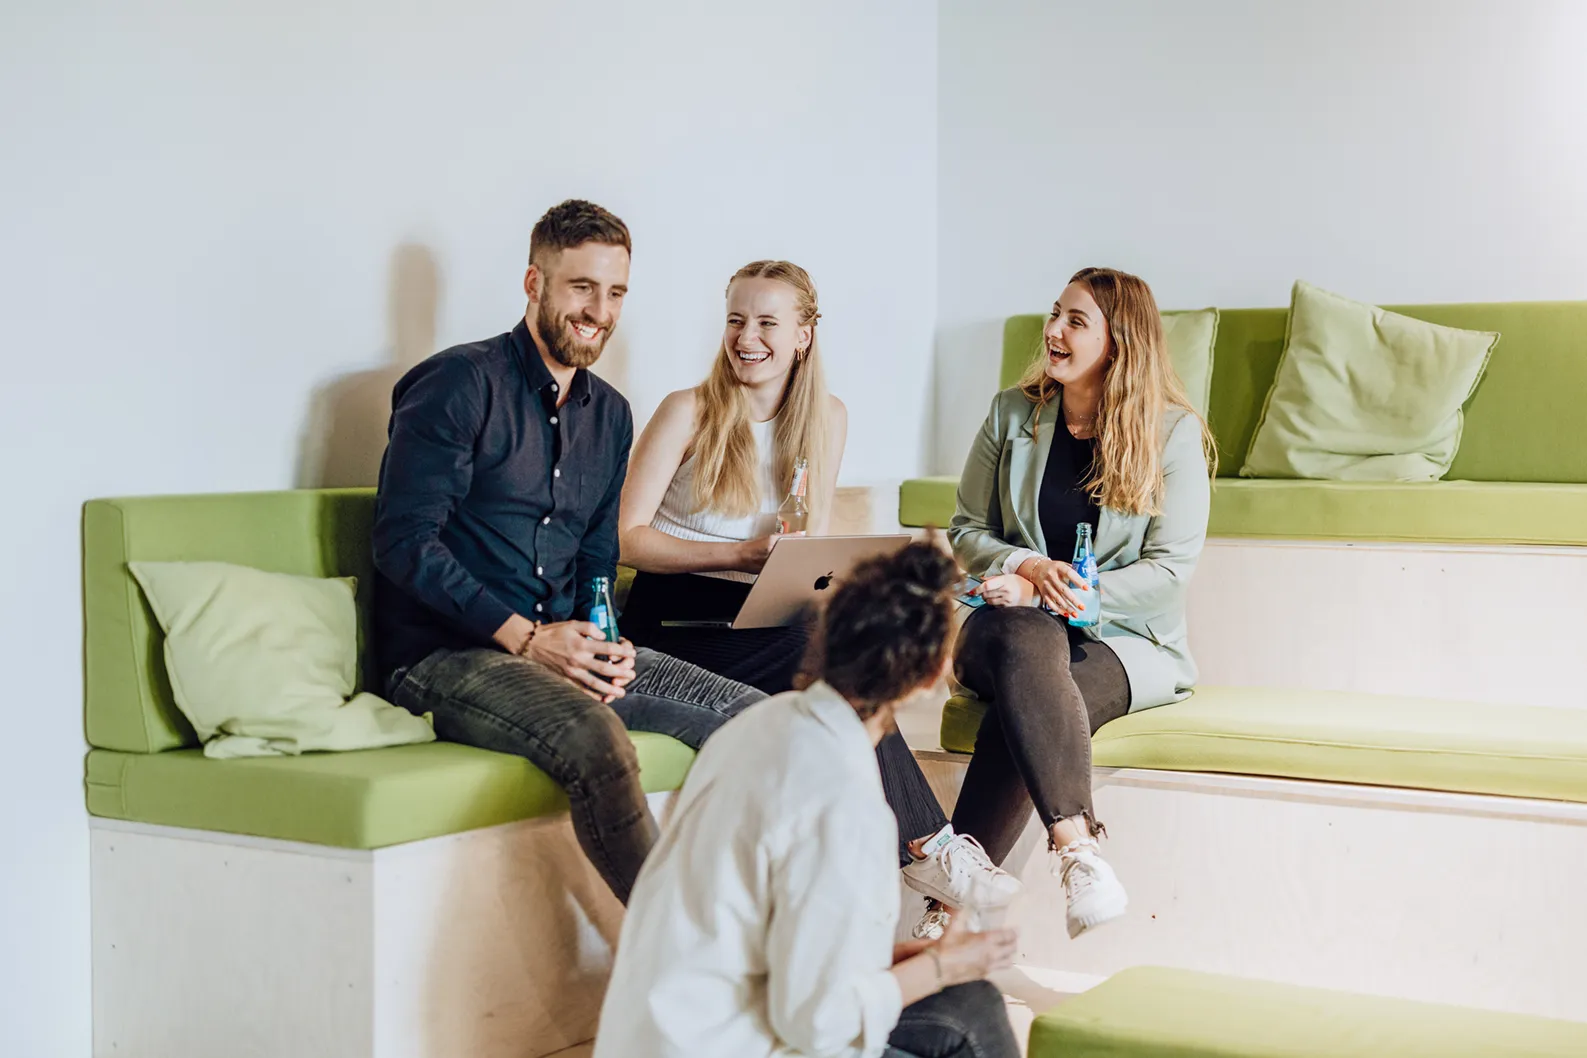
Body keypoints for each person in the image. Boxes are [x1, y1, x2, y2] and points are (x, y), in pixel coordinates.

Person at [371, 199, 764, 905]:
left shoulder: (609, 414)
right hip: (443, 656)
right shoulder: (458, 384)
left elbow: (595, 556)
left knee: (761, 719)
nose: (599, 311)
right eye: (581, 287)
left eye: (615, 293)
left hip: (568, 644)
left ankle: (766, 932)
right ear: (535, 284)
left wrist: (604, 642)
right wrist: (526, 639)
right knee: (595, 737)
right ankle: (672, 951)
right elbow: (404, 545)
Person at [618, 259, 1018, 939]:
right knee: (829, 657)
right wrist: (734, 555)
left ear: (803, 335)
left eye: (767, 323)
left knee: (836, 643)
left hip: (763, 613)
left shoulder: (825, 417)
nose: (747, 337)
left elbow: (811, 535)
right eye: (736, 320)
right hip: (672, 614)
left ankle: (901, 864)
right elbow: (625, 536)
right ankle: (930, 848)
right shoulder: (687, 410)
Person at [595, 543, 1022, 1058]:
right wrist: (941, 967)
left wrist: (900, 960)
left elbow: (772, 940)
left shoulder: (753, 724)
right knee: (971, 1014)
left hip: (660, 1035)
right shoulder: (845, 800)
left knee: (966, 1005)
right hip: (739, 1041)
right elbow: (818, 1024)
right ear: (933, 676)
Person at [948, 267, 1215, 939]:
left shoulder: (1172, 433)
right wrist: (1023, 566)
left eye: (1074, 320)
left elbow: (1168, 572)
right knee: (1025, 644)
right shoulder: (1012, 413)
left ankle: (945, 913)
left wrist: (1056, 594)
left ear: (1119, 340)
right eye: (1053, 314)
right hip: (999, 626)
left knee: (1028, 703)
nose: (1052, 331)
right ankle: (1077, 847)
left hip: (1124, 642)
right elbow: (965, 531)